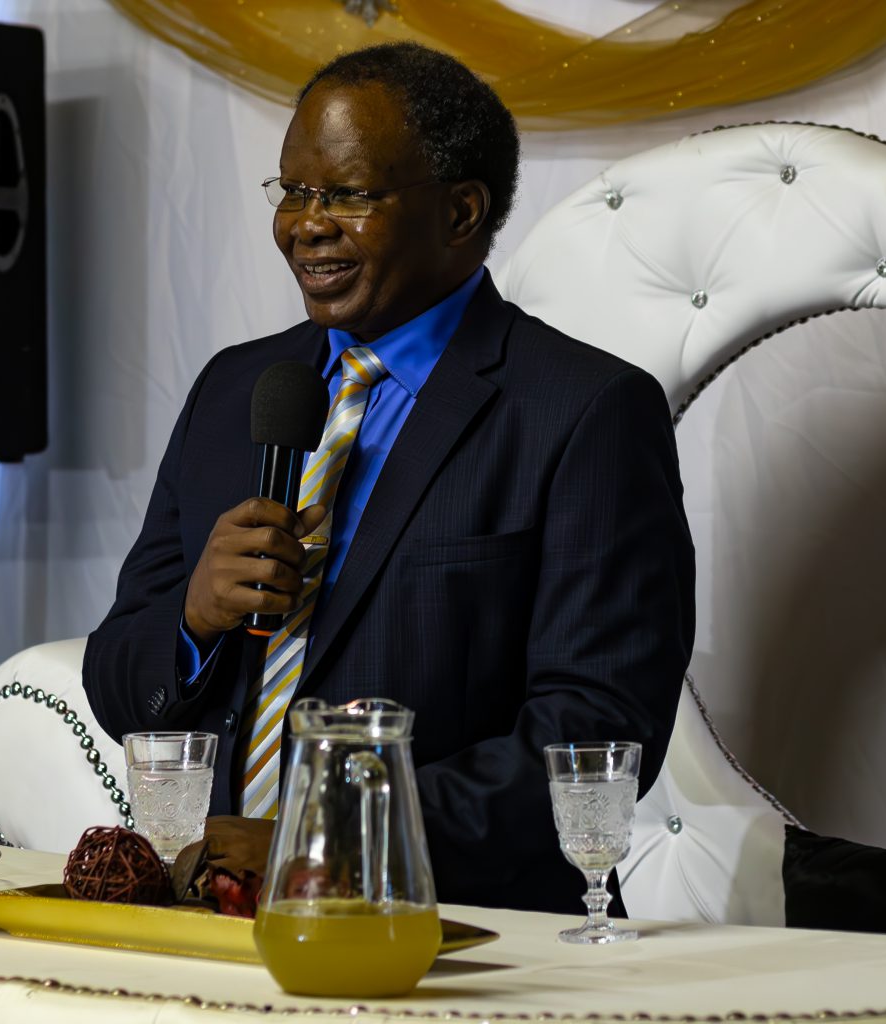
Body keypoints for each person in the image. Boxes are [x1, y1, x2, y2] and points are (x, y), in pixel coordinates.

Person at [82, 41, 695, 914]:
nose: (307, 223)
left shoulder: (585, 412)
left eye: (349, 194)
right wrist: (193, 617)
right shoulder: (235, 390)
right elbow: (117, 681)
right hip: (211, 925)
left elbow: (593, 737)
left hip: (461, 941)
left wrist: (318, 834)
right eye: (293, 190)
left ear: (460, 213)